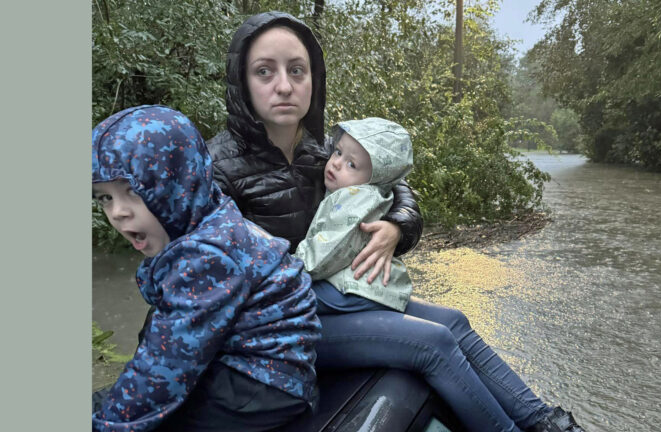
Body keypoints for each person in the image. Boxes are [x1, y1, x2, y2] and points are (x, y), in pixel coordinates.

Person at [208, 11, 586, 432]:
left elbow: (395, 185)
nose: (284, 85)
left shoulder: (323, 153)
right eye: (265, 71)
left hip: (332, 296)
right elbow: (205, 276)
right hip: (279, 327)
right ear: (242, 81)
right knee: (433, 343)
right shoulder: (215, 170)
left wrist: (396, 227)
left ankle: (546, 423)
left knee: (455, 321)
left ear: (314, 79)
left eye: (297, 70)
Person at [91, 105, 321, 432]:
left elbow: (165, 368)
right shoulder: (210, 218)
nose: (117, 213)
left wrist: (107, 424)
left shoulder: (207, 258)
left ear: (178, 181)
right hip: (258, 368)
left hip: (260, 386)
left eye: (132, 191)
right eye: (104, 198)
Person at [295, 118, 416, 313]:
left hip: (353, 288)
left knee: (286, 300)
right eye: (338, 152)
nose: (336, 164)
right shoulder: (359, 193)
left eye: (352, 164)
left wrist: (288, 266)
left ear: (376, 178)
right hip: (368, 286)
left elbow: (329, 250)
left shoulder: (356, 198)